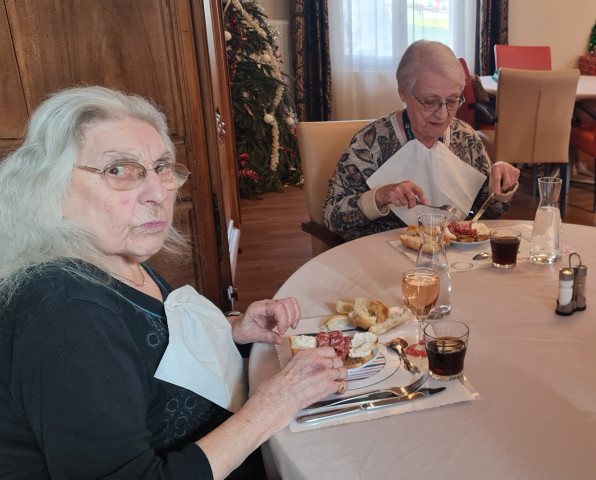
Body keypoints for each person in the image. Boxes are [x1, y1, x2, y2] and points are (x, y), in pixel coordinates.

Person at [0, 86, 348, 479]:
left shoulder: (111, 258)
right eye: (118, 170)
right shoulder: (64, 312)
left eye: (161, 167)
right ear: (50, 186)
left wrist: (231, 330)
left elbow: (149, 346)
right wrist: (275, 404)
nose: (158, 192)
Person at [323, 40, 520, 240]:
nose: (443, 115)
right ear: (402, 92)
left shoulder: (465, 137)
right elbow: (332, 217)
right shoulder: (370, 143)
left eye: (452, 100)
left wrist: (502, 185)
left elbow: (488, 212)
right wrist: (379, 196)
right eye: (430, 101)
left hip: (450, 256)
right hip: (382, 254)